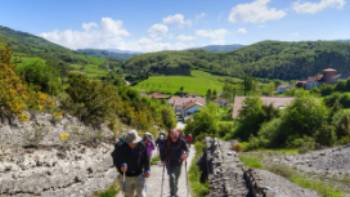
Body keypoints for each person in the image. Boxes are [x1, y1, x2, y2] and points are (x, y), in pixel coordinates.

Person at [112, 130, 150, 197]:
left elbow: (146, 159)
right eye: (132, 142)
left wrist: (147, 169)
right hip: (126, 177)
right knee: (128, 195)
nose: (134, 144)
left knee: (142, 195)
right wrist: (120, 167)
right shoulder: (120, 147)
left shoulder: (141, 145)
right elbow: (116, 160)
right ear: (127, 141)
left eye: (135, 142)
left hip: (139, 175)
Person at [160, 128, 189, 197]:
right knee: (172, 177)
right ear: (170, 135)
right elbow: (162, 150)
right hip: (169, 163)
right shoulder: (166, 141)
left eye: (176, 134)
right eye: (172, 134)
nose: (174, 136)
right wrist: (162, 159)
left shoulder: (182, 141)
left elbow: (187, 150)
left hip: (179, 163)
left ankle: (174, 192)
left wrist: (185, 154)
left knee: (176, 179)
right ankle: (173, 194)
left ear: (178, 134)